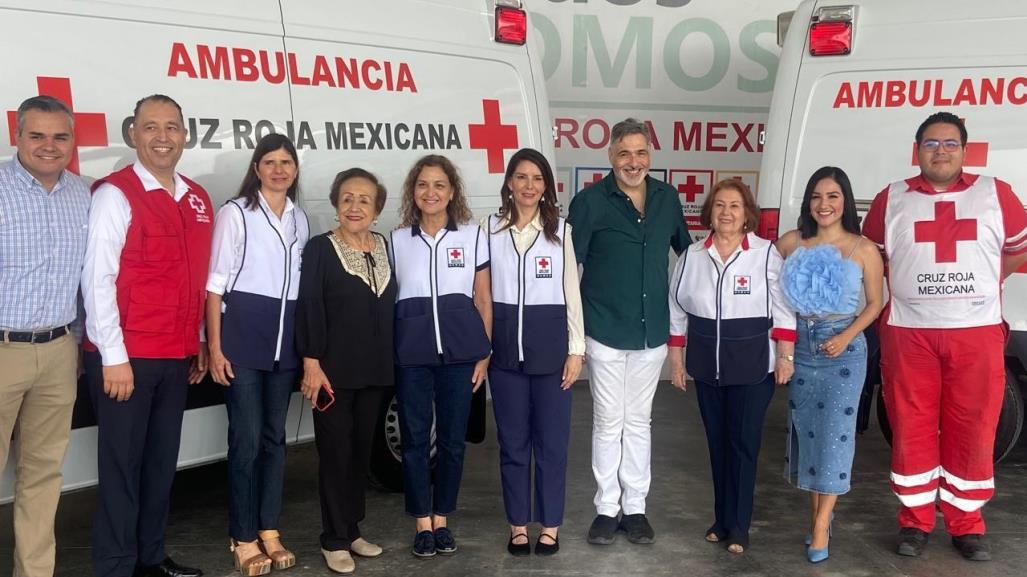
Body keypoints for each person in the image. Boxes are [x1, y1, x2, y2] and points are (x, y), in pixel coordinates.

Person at [863, 112, 1027, 561]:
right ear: (917, 151)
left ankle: (967, 524)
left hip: (974, 333)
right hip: (909, 334)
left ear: (964, 150)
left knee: (972, 427)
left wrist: (980, 288)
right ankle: (914, 522)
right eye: (931, 143)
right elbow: (871, 259)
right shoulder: (890, 199)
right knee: (911, 426)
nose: (941, 151)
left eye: (950, 143)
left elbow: (1016, 250)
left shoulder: (996, 194)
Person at [81, 94, 212, 577]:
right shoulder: (114, 194)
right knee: (122, 468)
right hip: (126, 358)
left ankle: (150, 558)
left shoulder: (196, 197)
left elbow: (195, 278)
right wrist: (112, 356)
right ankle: (116, 566)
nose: (163, 136)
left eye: (172, 127)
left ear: (184, 135)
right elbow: (96, 279)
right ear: (132, 134)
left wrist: (197, 339)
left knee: (160, 466)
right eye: (151, 127)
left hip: (174, 355)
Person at [567, 118, 690, 545]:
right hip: (603, 329)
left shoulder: (667, 199)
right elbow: (569, 270)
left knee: (639, 422)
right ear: (611, 156)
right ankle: (606, 509)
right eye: (624, 153)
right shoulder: (589, 203)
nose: (632, 162)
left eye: (640, 153)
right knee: (607, 421)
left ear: (650, 155)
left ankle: (635, 508)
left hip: (651, 333)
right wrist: (575, 338)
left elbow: (689, 257)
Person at [667, 179, 796, 555]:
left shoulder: (765, 253)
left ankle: (739, 525)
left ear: (746, 214)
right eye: (720, 205)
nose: (726, 212)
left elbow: (783, 306)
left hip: (753, 366)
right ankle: (721, 519)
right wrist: (677, 360)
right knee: (717, 444)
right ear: (710, 212)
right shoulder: (692, 255)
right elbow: (676, 309)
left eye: (735, 206)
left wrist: (785, 356)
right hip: (707, 367)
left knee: (743, 446)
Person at [206, 133, 309, 576]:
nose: (279, 169)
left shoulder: (301, 219)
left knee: (275, 441)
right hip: (243, 341)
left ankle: (269, 528)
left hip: (284, 346)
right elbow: (214, 286)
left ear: (295, 169)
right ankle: (243, 535)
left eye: (286, 162)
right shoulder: (236, 213)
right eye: (270, 162)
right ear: (257, 168)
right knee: (245, 442)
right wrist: (214, 346)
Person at [0, 95, 90, 577]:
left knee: (42, 476)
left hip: (58, 351)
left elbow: (85, 278)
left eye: (60, 136)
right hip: (2, 349)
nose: (49, 146)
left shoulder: (85, 193)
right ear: (18, 136)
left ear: (73, 140)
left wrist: (74, 340)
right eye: (37, 135)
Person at [776, 167, 884, 563]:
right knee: (809, 436)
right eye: (817, 196)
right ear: (808, 202)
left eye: (833, 196)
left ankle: (822, 524)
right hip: (801, 348)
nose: (824, 204)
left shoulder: (863, 249)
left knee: (836, 436)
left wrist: (846, 334)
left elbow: (876, 303)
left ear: (846, 201)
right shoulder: (791, 243)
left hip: (843, 350)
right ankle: (818, 515)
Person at [482, 148, 585, 556]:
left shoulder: (561, 230)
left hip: (551, 356)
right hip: (505, 356)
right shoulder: (488, 229)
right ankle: (518, 525)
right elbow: (482, 292)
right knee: (513, 445)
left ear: (546, 187)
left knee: (553, 445)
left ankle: (551, 525)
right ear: (509, 182)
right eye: (521, 177)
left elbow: (571, 294)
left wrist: (576, 349)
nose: (529, 186)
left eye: (537, 179)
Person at [389, 154, 492, 558]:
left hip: (461, 355)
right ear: (413, 192)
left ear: (452, 192)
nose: (430, 192)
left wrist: (484, 352)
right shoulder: (397, 240)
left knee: (451, 441)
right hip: (412, 355)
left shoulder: (471, 235)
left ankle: (443, 519)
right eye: (422, 185)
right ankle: (421, 522)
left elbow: (483, 297)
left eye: (439, 185)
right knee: (415, 440)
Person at [296, 168, 394, 574]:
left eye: (364, 200)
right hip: (332, 374)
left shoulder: (384, 245)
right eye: (348, 198)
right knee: (335, 454)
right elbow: (309, 305)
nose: (355, 207)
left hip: (375, 371)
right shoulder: (321, 247)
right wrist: (311, 362)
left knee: (359, 454)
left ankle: (352, 529)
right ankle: (333, 539)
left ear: (377, 208)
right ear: (336, 204)